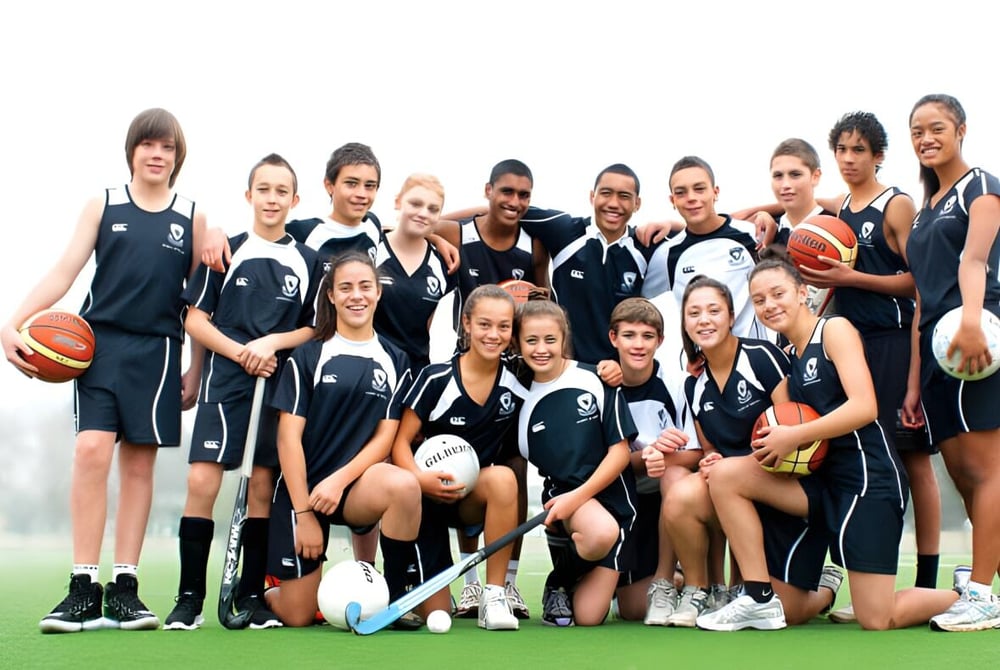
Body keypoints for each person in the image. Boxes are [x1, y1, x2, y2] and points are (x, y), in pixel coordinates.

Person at [0, 108, 207, 633]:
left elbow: (198, 305)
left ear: (178, 157)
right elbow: (64, 271)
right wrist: (13, 323)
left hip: (159, 352)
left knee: (139, 466)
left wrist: (196, 367)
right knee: (90, 450)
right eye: (148, 145)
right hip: (99, 348)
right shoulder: (104, 204)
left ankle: (125, 589)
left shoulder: (192, 217)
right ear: (132, 151)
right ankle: (82, 587)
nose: (157, 154)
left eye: (167, 147)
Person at [698, 256, 958, 631]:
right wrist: (718, 455)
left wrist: (795, 435)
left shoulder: (834, 330)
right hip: (819, 483)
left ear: (803, 293)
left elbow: (864, 407)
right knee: (725, 475)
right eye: (759, 300)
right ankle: (758, 597)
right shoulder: (788, 355)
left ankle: (967, 596)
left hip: (866, 480)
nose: (769, 305)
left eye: (778, 293)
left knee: (877, 617)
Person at [164, 154, 323, 630]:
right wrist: (242, 352)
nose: (272, 199)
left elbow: (314, 328)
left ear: (295, 200)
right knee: (201, 482)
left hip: (276, 383)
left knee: (260, 487)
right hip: (226, 382)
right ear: (249, 195)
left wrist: (271, 344)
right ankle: (189, 598)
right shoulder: (226, 250)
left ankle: (251, 595)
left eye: (282, 191)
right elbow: (195, 320)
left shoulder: (308, 260)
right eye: (264, 190)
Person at [803, 113, 940, 606]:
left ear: (878, 155)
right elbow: (794, 200)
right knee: (857, 456)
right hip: (851, 345)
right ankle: (854, 576)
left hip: (893, 342)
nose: (848, 159)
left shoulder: (896, 204)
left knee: (911, 458)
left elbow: (919, 283)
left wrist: (850, 278)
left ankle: (927, 581)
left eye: (858, 150)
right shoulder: (840, 206)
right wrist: (755, 211)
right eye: (841, 150)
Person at [662, 275, 839, 628]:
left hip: (790, 487)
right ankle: (701, 591)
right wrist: (712, 459)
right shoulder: (694, 385)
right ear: (685, 323)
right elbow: (711, 450)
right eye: (694, 313)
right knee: (681, 495)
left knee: (791, 612)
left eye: (714, 311)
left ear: (731, 316)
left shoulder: (761, 357)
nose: (704, 320)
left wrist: (732, 467)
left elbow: (793, 432)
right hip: (735, 488)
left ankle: (826, 587)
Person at [263, 252, 423, 628]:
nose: (357, 296)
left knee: (404, 485)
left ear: (378, 293)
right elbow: (288, 440)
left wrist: (339, 481)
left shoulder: (395, 359)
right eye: (346, 287)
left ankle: (395, 600)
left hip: (353, 488)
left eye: (365, 286)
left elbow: (385, 437)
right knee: (298, 616)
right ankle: (264, 590)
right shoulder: (308, 356)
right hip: (303, 492)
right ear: (332, 296)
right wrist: (305, 514)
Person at [435, 159, 548, 619]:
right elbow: (414, 223)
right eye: (506, 192)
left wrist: (537, 302)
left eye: (524, 195)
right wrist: (457, 226)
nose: (515, 202)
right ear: (488, 190)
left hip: (516, 370)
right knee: (464, 462)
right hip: (468, 365)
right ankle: (470, 585)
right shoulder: (458, 232)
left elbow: (543, 297)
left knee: (514, 471)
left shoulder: (532, 243)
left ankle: (509, 583)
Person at [905, 94, 1000, 632]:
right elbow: (921, 298)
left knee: (987, 471)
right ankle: (989, 586)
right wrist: (914, 383)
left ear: (961, 129)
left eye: (937, 127)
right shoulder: (925, 209)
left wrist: (969, 319)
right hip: (937, 350)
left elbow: (975, 259)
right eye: (917, 131)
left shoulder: (981, 187)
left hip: (974, 340)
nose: (926, 138)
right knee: (963, 473)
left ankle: (982, 593)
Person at [392, 285, 522, 631]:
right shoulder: (436, 378)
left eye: (503, 326)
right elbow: (400, 443)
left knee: (504, 478)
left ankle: (494, 596)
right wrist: (420, 479)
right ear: (466, 324)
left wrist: (606, 369)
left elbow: (560, 369)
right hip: (425, 500)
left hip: (471, 497)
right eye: (484, 324)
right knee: (436, 614)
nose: (493, 335)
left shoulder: (517, 380)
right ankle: (422, 583)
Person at [515, 300, 639, 626]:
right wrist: (569, 504)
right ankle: (558, 579)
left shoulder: (596, 378)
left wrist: (577, 497)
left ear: (564, 339)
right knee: (599, 533)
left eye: (550, 340)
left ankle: (567, 571)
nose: (541, 349)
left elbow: (620, 453)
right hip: (566, 504)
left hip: (613, 503)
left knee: (589, 616)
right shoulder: (516, 394)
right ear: (518, 343)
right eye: (531, 340)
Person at [606, 298, 701, 624]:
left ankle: (667, 578)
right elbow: (600, 461)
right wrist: (642, 459)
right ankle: (675, 575)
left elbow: (698, 452)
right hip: (623, 493)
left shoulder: (677, 384)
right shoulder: (600, 384)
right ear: (613, 338)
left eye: (647, 336)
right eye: (629, 335)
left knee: (674, 476)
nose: (638, 345)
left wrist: (665, 457)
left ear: (660, 340)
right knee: (632, 610)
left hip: (665, 492)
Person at [641, 157, 769, 373]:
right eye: (681, 192)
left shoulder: (751, 234)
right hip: (703, 371)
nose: (691, 198)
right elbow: (636, 302)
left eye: (699, 189)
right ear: (672, 200)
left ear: (715, 192)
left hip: (755, 364)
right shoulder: (667, 254)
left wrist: (767, 212)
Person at [518, 164, 649, 365]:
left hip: (617, 372)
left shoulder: (645, 246)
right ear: (592, 196)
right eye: (606, 193)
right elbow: (504, 209)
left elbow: (693, 236)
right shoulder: (565, 230)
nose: (614, 203)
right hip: (565, 367)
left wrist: (671, 223)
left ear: (637, 203)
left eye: (624, 196)